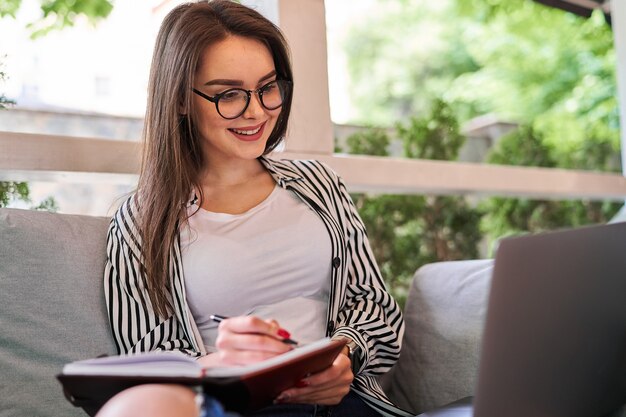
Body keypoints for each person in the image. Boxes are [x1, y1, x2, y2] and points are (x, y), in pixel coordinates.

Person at [100, 1, 409, 416]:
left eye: (267, 87)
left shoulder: (318, 184)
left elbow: (374, 305)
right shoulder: (141, 222)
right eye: (228, 94)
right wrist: (224, 364)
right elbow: (148, 365)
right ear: (178, 100)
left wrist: (346, 356)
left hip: (345, 405)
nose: (257, 110)